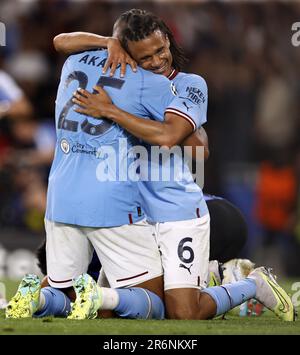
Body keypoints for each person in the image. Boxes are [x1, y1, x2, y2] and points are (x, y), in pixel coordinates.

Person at [50, 9, 294, 321]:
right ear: (127, 53)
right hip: (129, 214)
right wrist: (108, 42)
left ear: (169, 40)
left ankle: (251, 286)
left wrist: (113, 112)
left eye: (160, 50)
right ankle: (212, 274)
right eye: (145, 56)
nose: (156, 61)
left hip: (173, 209)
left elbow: (195, 148)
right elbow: (60, 41)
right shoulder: (122, 76)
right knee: (111, 313)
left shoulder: (189, 84)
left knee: (182, 314)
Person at [6, 43, 201, 320]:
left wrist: (108, 41)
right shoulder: (148, 81)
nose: (155, 59)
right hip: (112, 201)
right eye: (150, 52)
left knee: (66, 293)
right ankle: (100, 294)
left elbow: (60, 40)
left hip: (62, 195)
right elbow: (197, 146)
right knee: (155, 304)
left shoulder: (74, 62)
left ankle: (38, 298)